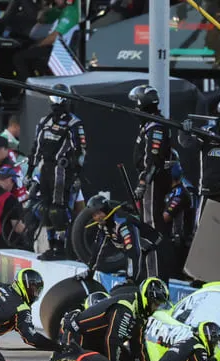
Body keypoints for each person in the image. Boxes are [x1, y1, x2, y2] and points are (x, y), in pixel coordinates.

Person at [27, 83, 86, 260]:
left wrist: (76, 173)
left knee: (57, 211)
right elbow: (35, 149)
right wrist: (30, 172)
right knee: (44, 209)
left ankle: (61, 247)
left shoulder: (75, 123)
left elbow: (81, 151)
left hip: (63, 172)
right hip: (45, 170)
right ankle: (51, 246)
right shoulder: (44, 122)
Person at [131, 85, 171, 279]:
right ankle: (148, 272)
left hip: (153, 182)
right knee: (146, 226)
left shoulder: (156, 127)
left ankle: (156, 277)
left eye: (136, 105)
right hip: (150, 180)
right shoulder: (148, 125)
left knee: (152, 227)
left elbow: (153, 160)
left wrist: (142, 183)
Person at [81, 195, 168, 285]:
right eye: (94, 215)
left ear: (106, 209)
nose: (98, 217)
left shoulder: (122, 222)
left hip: (155, 251)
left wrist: (130, 279)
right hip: (143, 254)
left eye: (99, 213)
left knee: (153, 287)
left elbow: (133, 251)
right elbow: (97, 249)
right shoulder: (104, 225)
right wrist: (89, 272)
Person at [13, 0, 81, 82]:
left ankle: (30, 87)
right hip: (57, 48)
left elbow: (54, 36)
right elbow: (42, 20)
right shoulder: (64, 10)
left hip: (60, 52)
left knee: (19, 58)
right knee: (30, 55)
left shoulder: (70, 12)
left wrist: (38, 45)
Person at [162, 160, 195, 275]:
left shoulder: (181, 193)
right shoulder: (168, 191)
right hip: (169, 242)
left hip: (179, 244)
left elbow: (165, 217)